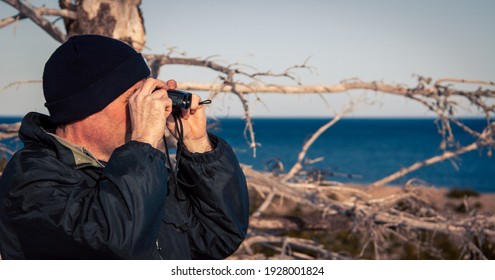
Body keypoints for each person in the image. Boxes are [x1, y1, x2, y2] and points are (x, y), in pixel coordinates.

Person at [0, 35, 249, 260]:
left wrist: (197, 146)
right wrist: (142, 144)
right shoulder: (29, 183)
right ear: (87, 108)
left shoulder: (136, 169)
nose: (152, 107)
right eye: (135, 99)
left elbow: (216, 238)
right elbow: (115, 248)